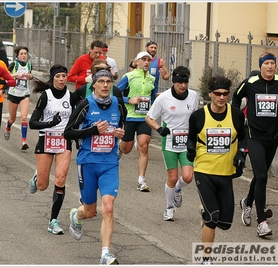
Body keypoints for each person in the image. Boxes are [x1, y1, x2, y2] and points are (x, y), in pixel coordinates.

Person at [64, 69, 127, 265]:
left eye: (109, 81)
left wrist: (120, 133)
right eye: (102, 82)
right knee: (90, 212)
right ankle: (77, 214)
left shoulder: (117, 103)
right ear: (94, 85)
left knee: (108, 207)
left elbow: (122, 123)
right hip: (88, 163)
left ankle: (105, 253)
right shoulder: (85, 105)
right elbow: (68, 132)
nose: (106, 85)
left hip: (109, 164)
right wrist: (93, 130)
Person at [186, 75, 246, 265]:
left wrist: (241, 155)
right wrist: (190, 149)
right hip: (204, 171)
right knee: (213, 217)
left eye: (226, 94)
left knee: (225, 224)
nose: (222, 97)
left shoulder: (236, 114)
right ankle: (206, 259)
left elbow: (243, 138)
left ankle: (205, 214)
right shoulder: (198, 116)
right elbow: (191, 138)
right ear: (210, 94)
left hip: (226, 172)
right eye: (218, 94)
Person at [232, 52, 278, 237]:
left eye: (272, 63)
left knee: (261, 176)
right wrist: (237, 118)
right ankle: (262, 222)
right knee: (261, 175)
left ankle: (248, 202)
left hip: (273, 137)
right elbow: (236, 97)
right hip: (253, 136)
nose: (270, 66)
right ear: (260, 66)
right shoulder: (250, 83)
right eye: (266, 63)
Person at [28, 64, 79, 235]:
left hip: (64, 140)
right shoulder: (45, 96)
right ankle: (37, 177)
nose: (61, 79)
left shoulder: (71, 97)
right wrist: (50, 123)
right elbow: (32, 123)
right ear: (53, 79)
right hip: (46, 139)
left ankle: (53, 221)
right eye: (58, 76)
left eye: (64, 76)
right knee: (43, 186)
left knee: (61, 177)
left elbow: (78, 118)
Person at [145, 66, 198, 221]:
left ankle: (178, 189)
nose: (183, 85)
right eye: (179, 82)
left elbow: (196, 117)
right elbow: (149, 117)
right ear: (174, 82)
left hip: (187, 142)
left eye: (185, 82)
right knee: (173, 177)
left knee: (187, 177)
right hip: (169, 142)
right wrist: (159, 128)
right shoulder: (164, 98)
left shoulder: (193, 96)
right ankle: (169, 207)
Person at [116, 51, 155, 192]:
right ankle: (120, 148)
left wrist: (155, 108)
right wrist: (129, 100)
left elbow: (153, 97)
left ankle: (141, 180)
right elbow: (115, 94)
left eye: (148, 60)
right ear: (136, 62)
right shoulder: (129, 77)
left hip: (144, 117)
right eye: (143, 59)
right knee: (127, 149)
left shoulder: (152, 78)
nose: (146, 62)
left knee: (143, 146)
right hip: (130, 117)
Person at [4, 46, 33, 150]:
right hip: (13, 94)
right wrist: (16, 74)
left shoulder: (29, 65)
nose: (24, 55)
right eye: (21, 54)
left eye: (25, 53)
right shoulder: (14, 64)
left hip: (24, 94)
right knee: (12, 118)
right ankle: (8, 127)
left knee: (24, 117)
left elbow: (30, 76)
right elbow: (6, 75)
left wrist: (30, 76)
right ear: (17, 55)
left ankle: (24, 141)